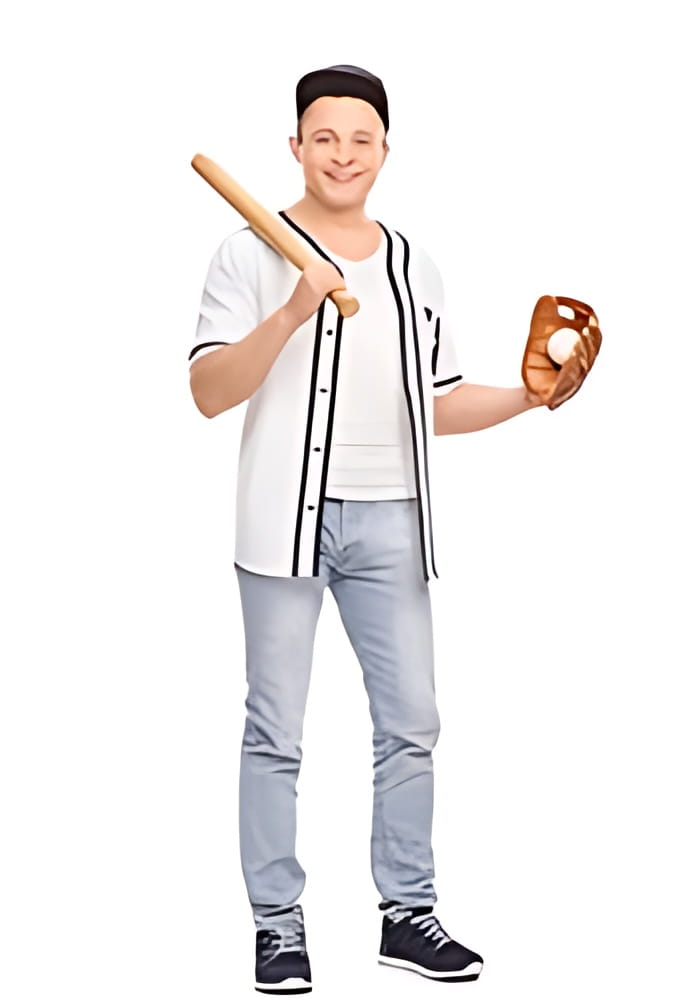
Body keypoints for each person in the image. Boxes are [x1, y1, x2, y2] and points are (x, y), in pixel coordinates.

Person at [188, 64, 542, 995]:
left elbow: (443, 401)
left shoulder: (415, 262)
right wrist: (294, 308)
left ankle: (406, 915)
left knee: (413, 725)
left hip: (394, 523)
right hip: (283, 530)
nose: (343, 154)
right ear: (296, 147)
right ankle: (276, 927)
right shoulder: (248, 252)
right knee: (275, 731)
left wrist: (532, 398)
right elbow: (208, 393)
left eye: (362, 138)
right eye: (324, 137)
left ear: (385, 150)